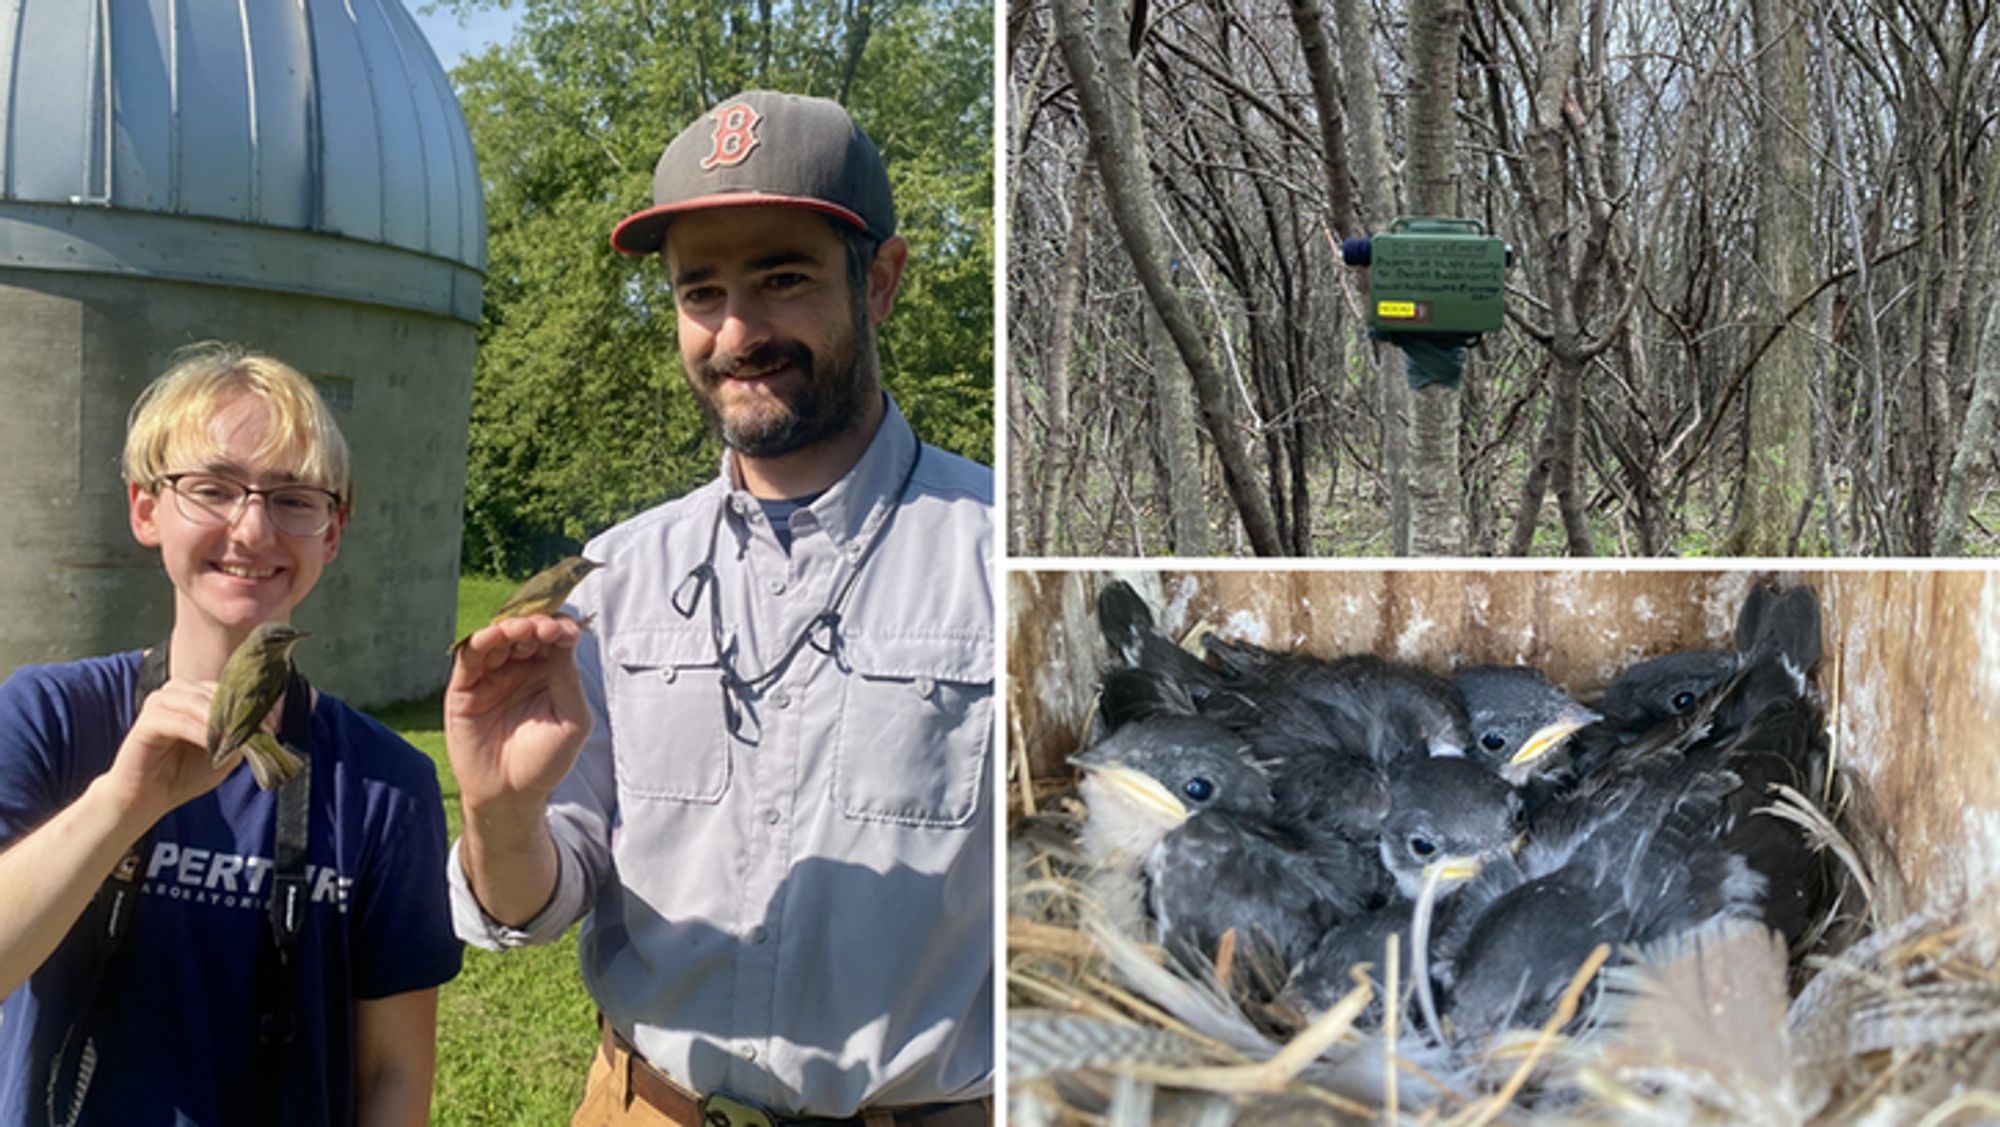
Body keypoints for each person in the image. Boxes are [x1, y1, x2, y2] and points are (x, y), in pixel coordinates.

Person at [444, 90, 993, 1126]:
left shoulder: (995, 555)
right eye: (702, 292)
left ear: (877, 281)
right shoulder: (616, 574)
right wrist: (500, 810)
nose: (737, 331)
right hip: (643, 1105)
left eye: (781, 279)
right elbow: (531, 901)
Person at [0, 344, 463, 1125]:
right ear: (145, 508)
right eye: (211, 488)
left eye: (294, 498)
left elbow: (392, 1072)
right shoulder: (50, 716)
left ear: (334, 529)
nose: (251, 529)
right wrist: (121, 802)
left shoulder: (387, 786)